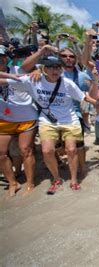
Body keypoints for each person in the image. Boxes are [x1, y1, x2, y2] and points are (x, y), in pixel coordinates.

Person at [0, 56, 96, 194]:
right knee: (47, 151)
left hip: (69, 120)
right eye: (50, 67)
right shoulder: (33, 80)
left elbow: (83, 97)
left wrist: (98, 104)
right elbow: (5, 81)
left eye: (57, 67)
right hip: (47, 120)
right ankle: (56, 178)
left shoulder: (67, 83)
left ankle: (74, 179)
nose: (54, 70)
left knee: (71, 149)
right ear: (43, 68)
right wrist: (12, 75)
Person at [0, 45, 37, 197]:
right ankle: (12, 182)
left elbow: (36, 67)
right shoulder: (12, 75)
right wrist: (9, 78)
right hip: (4, 119)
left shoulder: (19, 70)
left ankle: (30, 182)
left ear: (6, 57)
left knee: (25, 150)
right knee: (1, 153)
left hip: (26, 117)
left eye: (1, 56)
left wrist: (37, 71)